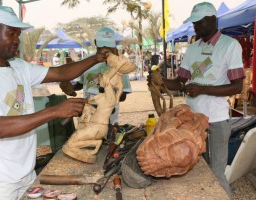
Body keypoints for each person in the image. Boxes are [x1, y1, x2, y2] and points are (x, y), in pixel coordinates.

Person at [0, 6, 110, 200]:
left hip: (26, 174)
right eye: (11, 33)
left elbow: (60, 73)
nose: (17, 40)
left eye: (18, 34)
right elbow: (1, 127)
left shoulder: (17, 66)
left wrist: (96, 58)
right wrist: (55, 111)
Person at [148, 2, 244, 197]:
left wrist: (202, 89)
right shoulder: (192, 49)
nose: (195, 26)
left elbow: (237, 86)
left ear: (212, 20)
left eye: (198, 22)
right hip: (191, 120)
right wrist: (160, 81)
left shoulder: (230, 45)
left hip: (216, 120)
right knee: (200, 170)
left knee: (216, 173)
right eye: (193, 23)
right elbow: (179, 82)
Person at [69, 27, 132, 125]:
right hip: (87, 117)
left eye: (109, 45)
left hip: (109, 119)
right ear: (95, 43)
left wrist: (105, 99)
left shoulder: (121, 64)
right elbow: (81, 84)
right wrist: (70, 88)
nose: (105, 49)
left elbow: (123, 96)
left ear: (114, 45)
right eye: (102, 45)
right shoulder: (86, 61)